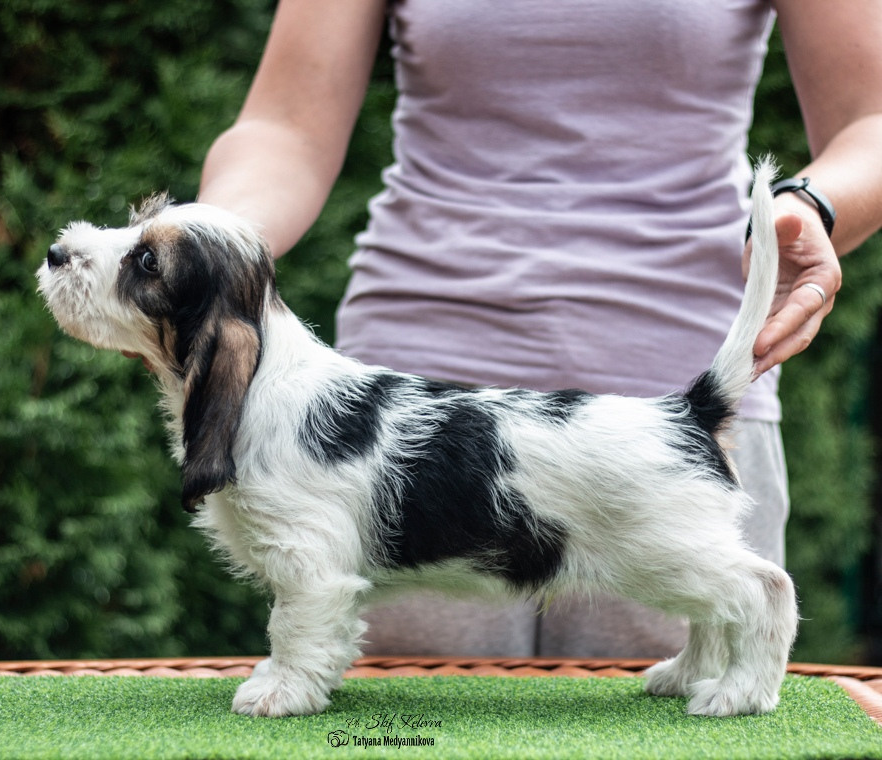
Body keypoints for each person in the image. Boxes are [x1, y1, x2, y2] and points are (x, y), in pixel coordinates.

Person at [195, 0, 882, 658]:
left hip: (673, 395)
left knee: (699, 706)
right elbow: (288, 126)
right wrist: (199, 257)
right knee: (408, 733)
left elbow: (871, 119)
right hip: (408, 421)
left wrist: (812, 207)